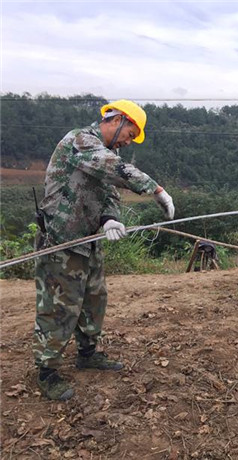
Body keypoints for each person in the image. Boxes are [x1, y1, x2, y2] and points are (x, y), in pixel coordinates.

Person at [33, 100, 176, 400]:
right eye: (130, 133)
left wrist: (110, 217)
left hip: (88, 240)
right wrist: (155, 189)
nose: (128, 140)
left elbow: (109, 191)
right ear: (118, 119)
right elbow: (113, 169)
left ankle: (87, 353)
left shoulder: (106, 151)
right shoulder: (81, 141)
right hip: (62, 241)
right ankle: (47, 372)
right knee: (60, 307)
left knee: (94, 299)